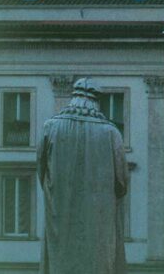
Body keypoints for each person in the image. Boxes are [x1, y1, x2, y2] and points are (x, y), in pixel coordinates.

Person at [37, 78, 128, 274]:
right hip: (98, 227)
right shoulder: (112, 132)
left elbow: (42, 173)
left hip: (59, 221)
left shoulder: (50, 127)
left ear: (73, 97)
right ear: (97, 101)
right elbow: (121, 183)